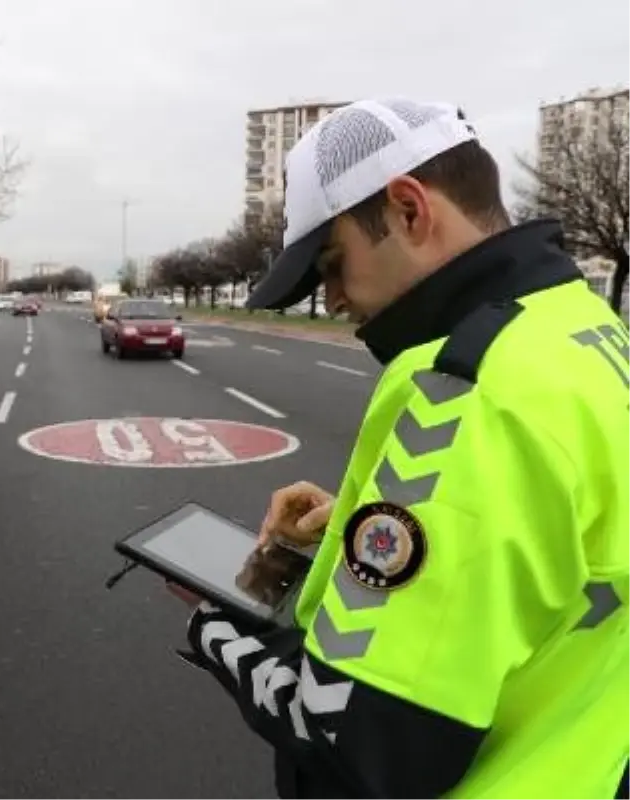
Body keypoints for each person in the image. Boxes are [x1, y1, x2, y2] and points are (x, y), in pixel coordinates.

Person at [170, 98, 630, 799]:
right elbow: (556, 558)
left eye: (332, 265)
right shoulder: (586, 329)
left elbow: (351, 738)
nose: (332, 300)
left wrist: (213, 630)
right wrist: (362, 525)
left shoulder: (462, 387)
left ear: (410, 210)